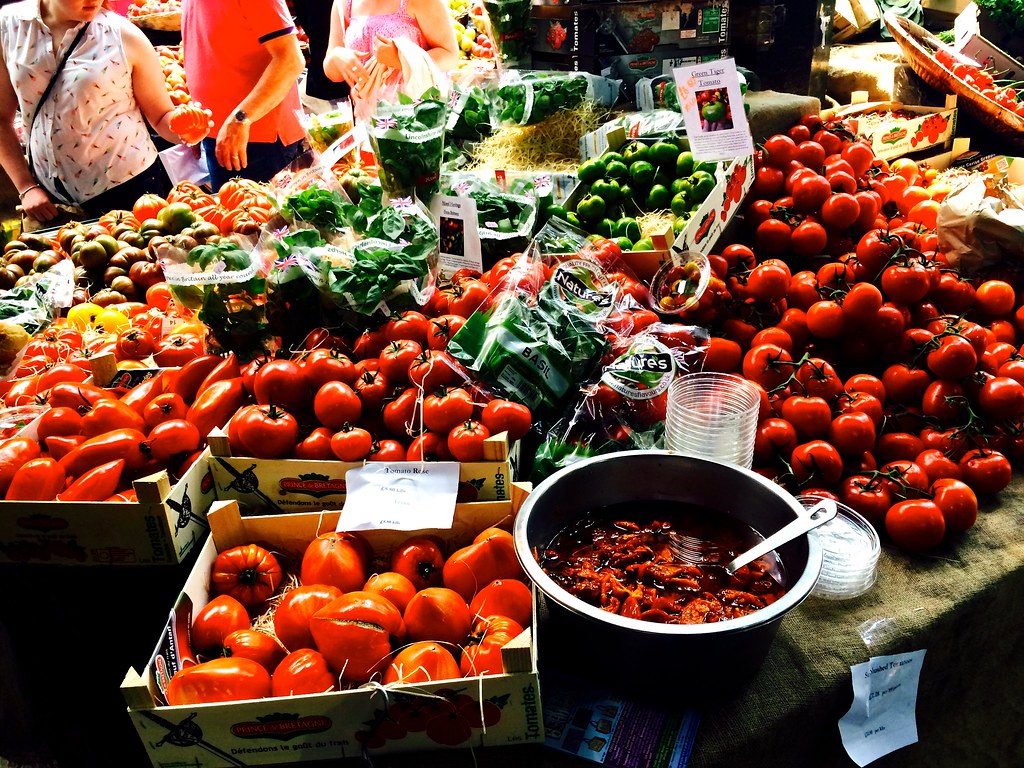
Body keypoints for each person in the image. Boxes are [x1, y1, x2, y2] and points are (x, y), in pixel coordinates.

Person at [0, 0, 210, 223]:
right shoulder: (10, 25)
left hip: (128, 191)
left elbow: (161, 116)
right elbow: (1, 119)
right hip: (49, 198)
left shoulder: (124, 36)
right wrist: (26, 186)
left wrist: (187, 130)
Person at [182, 0, 306, 191]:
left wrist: (241, 118)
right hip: (222, 136)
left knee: (270, 219)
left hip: (258, 141)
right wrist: (194, 121)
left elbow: (291, 60)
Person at [323, 0, 458, 115]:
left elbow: (450, 55)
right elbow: (332, 73)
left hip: (419, 118)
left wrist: (401, 59)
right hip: (370, 122)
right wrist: (336, 57)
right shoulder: (344, 4)